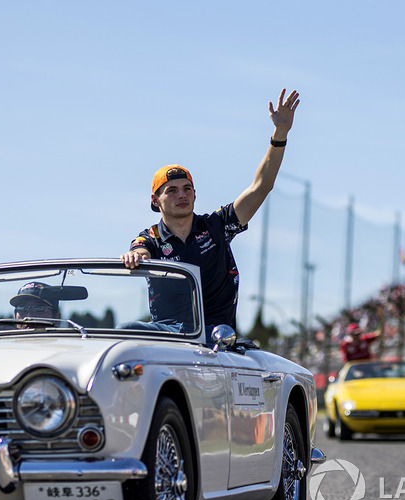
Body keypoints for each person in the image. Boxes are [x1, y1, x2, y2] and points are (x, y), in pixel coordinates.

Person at [120, 88, 300, 333]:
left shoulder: (216, 225)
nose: (181, 194)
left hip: (217, 338)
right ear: (155, 201)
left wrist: (280, 133)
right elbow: (139, 250)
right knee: (126, 329)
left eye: (187, 188)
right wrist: (136, 256)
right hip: (169, 336)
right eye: (171, 190)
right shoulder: (151, 237)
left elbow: (261, 187)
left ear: (195, 194)